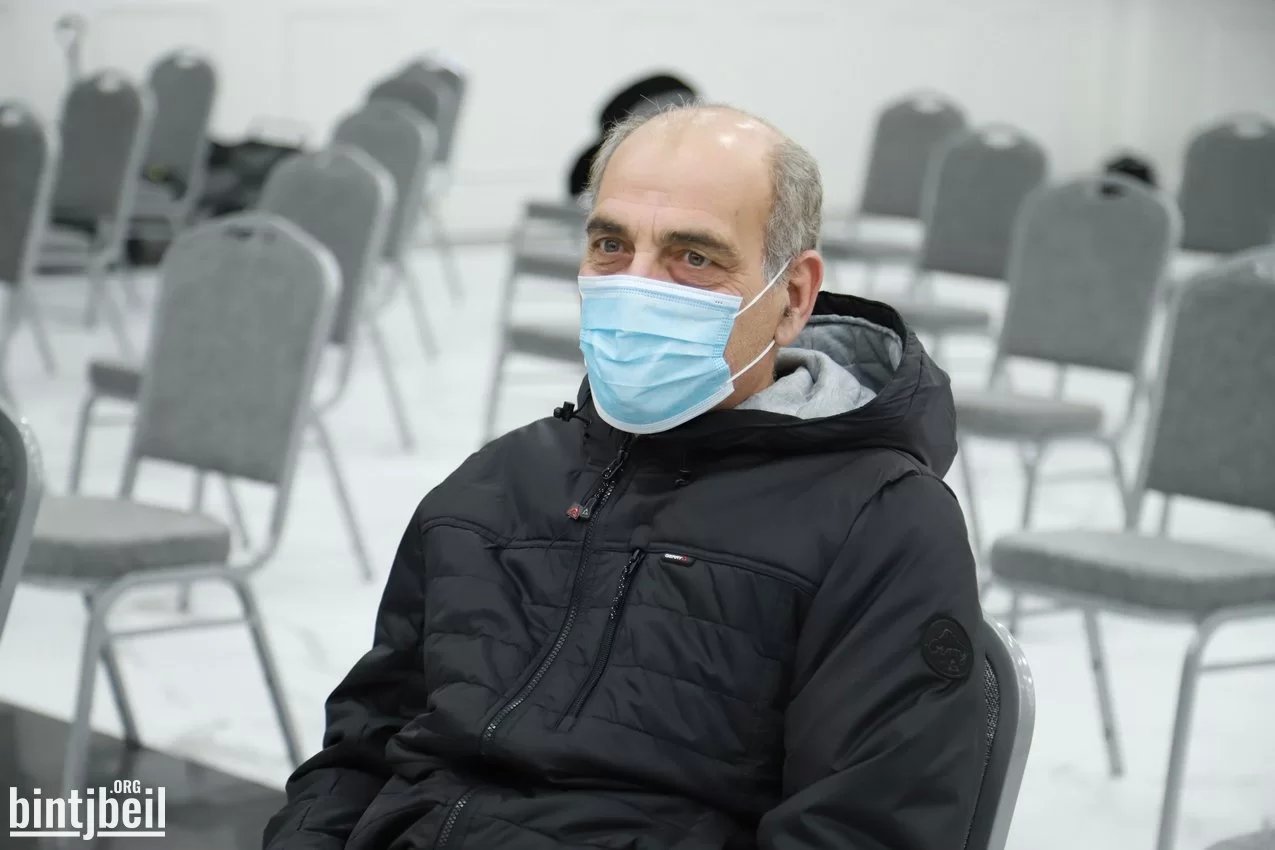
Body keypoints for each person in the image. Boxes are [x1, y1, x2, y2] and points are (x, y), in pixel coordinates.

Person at [264, 104, 985, 850]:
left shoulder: (878, 521)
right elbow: (358, 751)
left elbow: (862, 829)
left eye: (693, 256)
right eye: (611, 245)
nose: (636, 285)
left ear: (792, 298)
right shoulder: (496, 484)